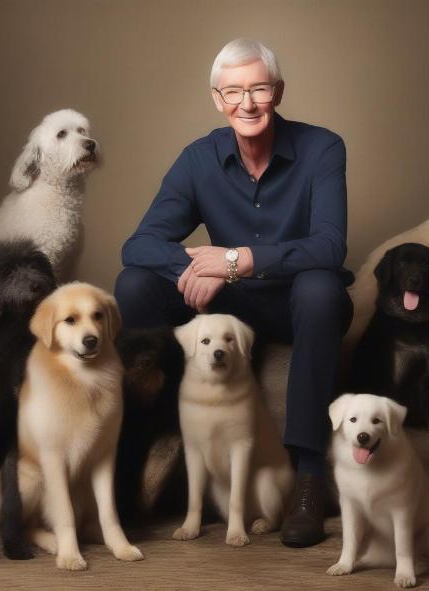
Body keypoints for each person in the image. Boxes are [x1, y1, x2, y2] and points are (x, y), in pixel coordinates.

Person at [115, 38, 353, 547]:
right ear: (217, 99)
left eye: (259, 89)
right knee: (134, 284)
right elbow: (138, 245)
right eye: (234, 91)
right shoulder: (199, 159)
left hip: (296, 304)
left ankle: (309, 478)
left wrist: (235, 260)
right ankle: (160, 430)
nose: (247, 103)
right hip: (227, 307)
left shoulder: (324, 148)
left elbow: (331, 246)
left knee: (321, 289)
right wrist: (198, 267)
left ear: (278, 92)